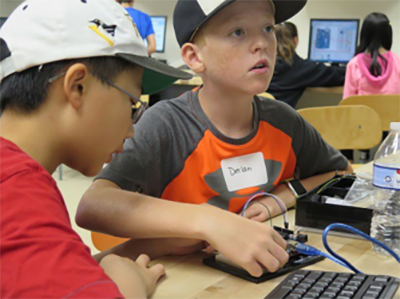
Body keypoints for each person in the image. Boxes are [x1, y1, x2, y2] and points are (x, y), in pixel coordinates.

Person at [77, 0, 352, 278]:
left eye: (268, 28)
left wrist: (281, 197)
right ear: (195, 57)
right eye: (238, 32)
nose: (262, 44)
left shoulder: (284, 120)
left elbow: (341, 171)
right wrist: (203, 221)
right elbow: (93, 207)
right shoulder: (167, 124)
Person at [0, 0, 192, 297]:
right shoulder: (16, 191)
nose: (131, 130)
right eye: (132, 104)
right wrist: (130, 284)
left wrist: (144, 246)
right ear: (77, 86)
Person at [267, 23, 346, 107]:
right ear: (295, 40)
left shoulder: (262, 66)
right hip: (280, 118)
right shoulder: (300, 68)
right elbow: (336, 75)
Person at [343, 12, 400, 99]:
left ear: (364, 34)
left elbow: (347, 103)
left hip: (363, 113)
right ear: (388, 34)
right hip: (392, 113)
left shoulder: (354, 64)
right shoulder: (397, 61)